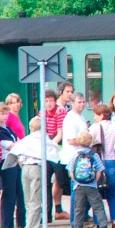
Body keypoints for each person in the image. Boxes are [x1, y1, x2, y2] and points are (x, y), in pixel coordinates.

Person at [9, 115, 55, 228]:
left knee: (28, 201)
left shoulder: (27, 139)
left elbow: (17, 155)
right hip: (36, 168)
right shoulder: (43, 139)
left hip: (25, 169)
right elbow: (54, 152)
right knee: (35, 201)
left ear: (31, 128)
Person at [65, 130, 109, 228]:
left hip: (78, 187)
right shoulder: (94, 156)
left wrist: (76, 180)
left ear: (78, 142)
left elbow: (71, 171)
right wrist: (93, 180)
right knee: (98, 208)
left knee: (79, 209)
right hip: (92, 186)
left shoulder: (75, 155)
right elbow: (100, 171)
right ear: (91, 142)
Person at [89, 103, 115, 228]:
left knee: (96, 194)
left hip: (98, 163)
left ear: (102, 115)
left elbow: (88, 143)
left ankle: (99, 222)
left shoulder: (94, 127)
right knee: (111, 194)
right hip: (111, 162)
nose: (94, 117)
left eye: (96, 115)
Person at [0, 102, 24, 228]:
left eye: (6, 113)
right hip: (6, 164)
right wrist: (17, 145)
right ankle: (6, 226)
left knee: (20, 194)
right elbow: (12, 145)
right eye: (2, 113)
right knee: (9, 194)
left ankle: (22, 225)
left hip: (15, 161)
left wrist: (17, 144)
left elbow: (18, 142)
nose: (5, 116)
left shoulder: (8, 129)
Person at [58, 92, 88, 219]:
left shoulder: (80, 116)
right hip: (73, 158)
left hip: (81, 157)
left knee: (82, 190)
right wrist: (87, 141)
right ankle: (76, 219)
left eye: (83, 102)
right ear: (72, 103)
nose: (82, 104)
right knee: (76, 190)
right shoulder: (70, 118)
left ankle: (82, 216)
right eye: (79, 102)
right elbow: (70, 140)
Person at [41, 89, 69, 220]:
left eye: (51, 100)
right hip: (47, 149)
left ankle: (59, 209)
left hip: (57, 149)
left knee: (62, 180)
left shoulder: (60, 111)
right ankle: (46, 214)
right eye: (46, 101)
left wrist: (50, 145)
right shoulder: (42, 113)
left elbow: (60, 133)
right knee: (45, 182)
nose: (49, 104)